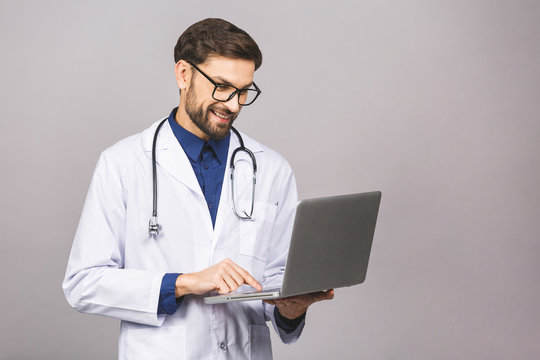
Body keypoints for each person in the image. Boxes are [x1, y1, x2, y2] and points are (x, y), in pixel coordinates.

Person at [62, 18, 333, 359]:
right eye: (222, 87)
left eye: (244, 91)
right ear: (183, 74)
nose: (233, 104)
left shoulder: (272, 169)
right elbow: (83, 284)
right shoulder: (122, 163)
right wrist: (184, 283)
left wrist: (291, 309)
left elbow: (276, 283)